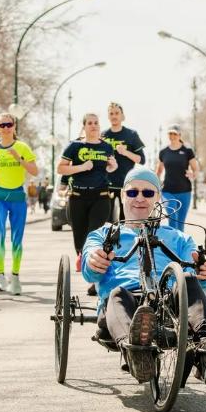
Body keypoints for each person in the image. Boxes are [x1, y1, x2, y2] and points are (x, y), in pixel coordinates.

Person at [82, 166, 206, 388]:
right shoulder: (103, 235)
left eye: (147, 193)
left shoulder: (179, 238)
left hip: (168, 304)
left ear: (158, 198)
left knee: (188, 280)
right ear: (123, 195)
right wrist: (94, 261)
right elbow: (89, 270)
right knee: (117, 294)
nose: (140, 198)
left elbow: (198, 282)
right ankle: (136, 353)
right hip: (122, 304)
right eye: (133, 192)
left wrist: (205, 272)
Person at [57, 113, 117, 296]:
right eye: (89, 123)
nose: (93, 125)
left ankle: (94, 281)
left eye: (96, 123)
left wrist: (112, 165)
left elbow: (111, 167)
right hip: (77, 197)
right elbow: (61, 168)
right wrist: (82, 167)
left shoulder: (106, 146)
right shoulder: (75, 146)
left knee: (95, 236)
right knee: (80, 240)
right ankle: (83, 257)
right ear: (84, 126)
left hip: (101, 196)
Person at [0, 113, 38, 294]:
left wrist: (18, 158)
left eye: (8, 124)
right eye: (2, 125)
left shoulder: (22, 147)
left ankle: (15, 277)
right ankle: (0, 276)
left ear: (14, 126)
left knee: (16, 240)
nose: (5, 128)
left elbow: (35, 171)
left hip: (17, 196)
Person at [101, 102, 146, 221]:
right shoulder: (103, 135)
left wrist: (125, 152)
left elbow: (142, 160)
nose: (114, 116)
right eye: (111, 113)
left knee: (125, 220)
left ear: (122, 116)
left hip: (126, 184)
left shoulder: (131, 134)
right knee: (106, 221)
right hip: (106, 184)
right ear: (108, 116)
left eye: (117, 113)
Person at [156, 124, 198, 231]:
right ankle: (172, 241)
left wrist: (193, 174)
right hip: (167, 191)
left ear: (179, 135)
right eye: (170, 133)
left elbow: (196, 169)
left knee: (180, 223)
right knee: (173, 218)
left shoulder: (187, 151)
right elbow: (159, 171)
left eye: (174, 134)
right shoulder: (163, 152)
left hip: (185, 191)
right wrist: (154, 186)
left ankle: (179, 241)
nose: (172, 136)